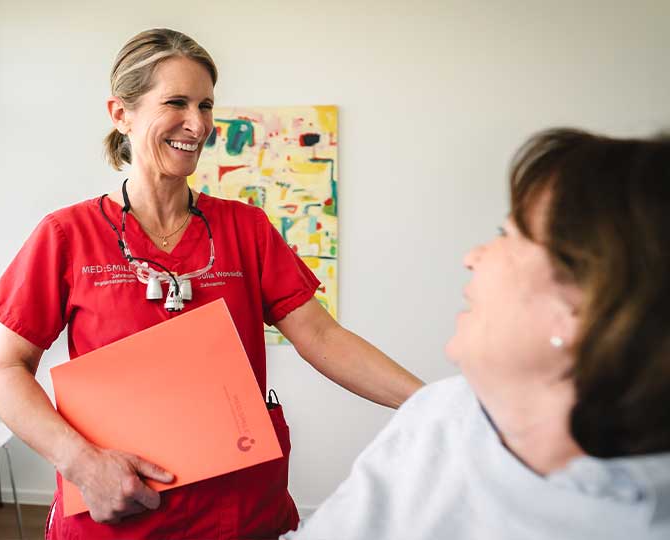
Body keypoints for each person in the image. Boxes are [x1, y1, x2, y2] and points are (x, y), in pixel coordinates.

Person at [0, 28, 423, 540]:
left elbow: (322, 338)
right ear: (121, 114)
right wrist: (79, 461)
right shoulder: (67, 235)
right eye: (176, 102)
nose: (198, 124)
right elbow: (7, 369)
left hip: (240, 513)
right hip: (121, 511)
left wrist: (431, 403)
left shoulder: (246, 228)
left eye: (207, 105)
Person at [282, 128, 670, 539]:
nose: (473, 257)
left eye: (510, 236)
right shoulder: (442, 412)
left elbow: (320, 334)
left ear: (586, 309)